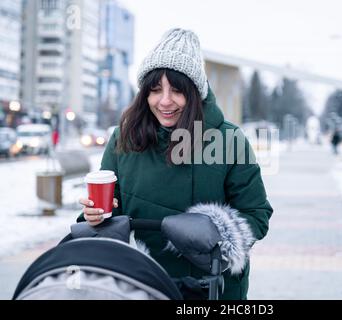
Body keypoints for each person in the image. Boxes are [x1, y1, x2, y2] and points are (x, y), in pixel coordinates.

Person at [78, 28, 273, 300]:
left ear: (195, 94)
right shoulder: (124, 137)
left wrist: (217, 231)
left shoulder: (229, 140)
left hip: (212, 288)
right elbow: (109, 206)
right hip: (138, 284)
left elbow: (256, 214)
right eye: (155, 90)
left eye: (177, 91)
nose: (165, 101)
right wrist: (95, 216)